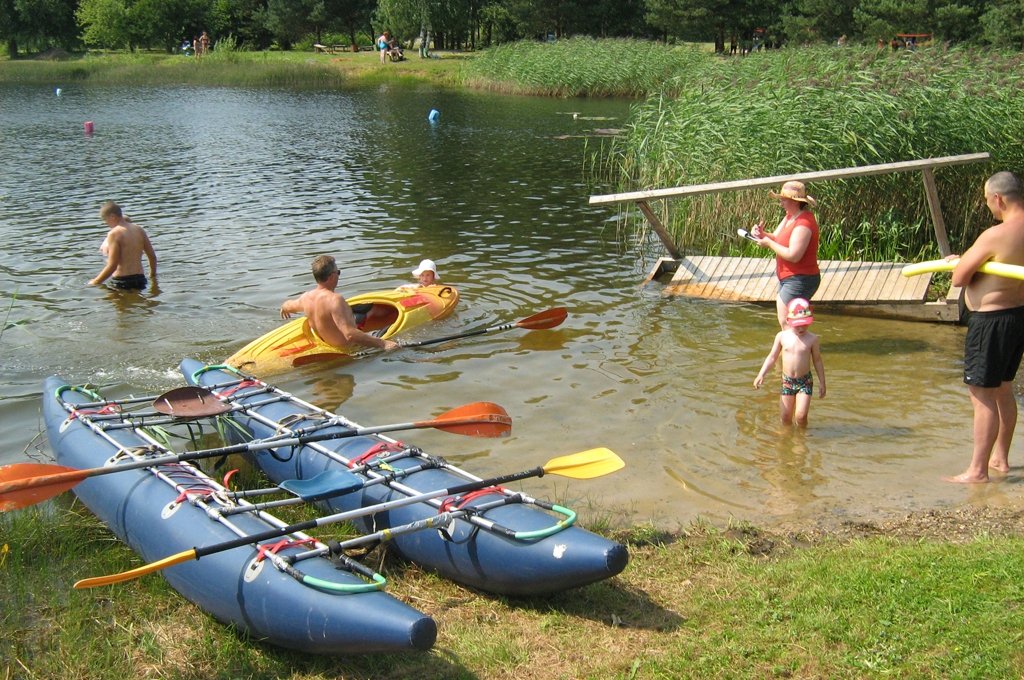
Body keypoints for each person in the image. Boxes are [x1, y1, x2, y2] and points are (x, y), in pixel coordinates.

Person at [944, 171, 1024, 483]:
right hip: (1018, 316)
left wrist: (959, 262)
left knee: (981, 393)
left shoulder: (996, 234)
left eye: (988, 201)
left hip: (991, 321)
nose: (989, 207)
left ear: (999, 199)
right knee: (1003, 389)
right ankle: (1000, 459)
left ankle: (977, 471)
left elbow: (959, 277)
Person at [280, 255, 400, 352]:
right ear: (332, 276)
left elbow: (288, 305)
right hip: (349, 350)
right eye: (338, 272)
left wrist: (284, 308)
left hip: (327, 345)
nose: (338, 275)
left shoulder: (306, 298)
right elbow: (350, 334)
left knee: (366, 312)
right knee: (390, 328)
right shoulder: (335, 300)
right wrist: (384, 344)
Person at [750, 180, 821, 329]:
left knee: (787, 323)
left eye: (783, 199)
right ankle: (797, 351)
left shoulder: (804, 223)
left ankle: (793, 351)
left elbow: (794, 255)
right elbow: (776, 237)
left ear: (795, 201)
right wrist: (762, 234)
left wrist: (768, 243)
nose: (780, 202)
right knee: (794, 324)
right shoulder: (790, 216)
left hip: (800, 278)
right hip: (789, 277)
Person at [753, 298, 826, 427]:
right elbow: (772, 357)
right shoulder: (781, 336)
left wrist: (822, 382)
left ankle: (801, 438)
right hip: (787, 381)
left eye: (805, 324)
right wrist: (761, 374)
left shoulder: (812, 339)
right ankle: (786, 439)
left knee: (801, 416)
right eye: (797, 325)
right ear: (788, 321)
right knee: (785, 417)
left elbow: (817, 361)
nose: (801, 328)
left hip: (805, 382)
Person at [89, 201, 157, 290]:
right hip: (141, 279)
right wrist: (152, 276)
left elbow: (112, 265)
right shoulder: (139, 229)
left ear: (112, 217)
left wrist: (96, 281)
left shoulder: (114, 233)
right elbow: (152, 256)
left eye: (105, 220)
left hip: (122, 281)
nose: (106, 223)